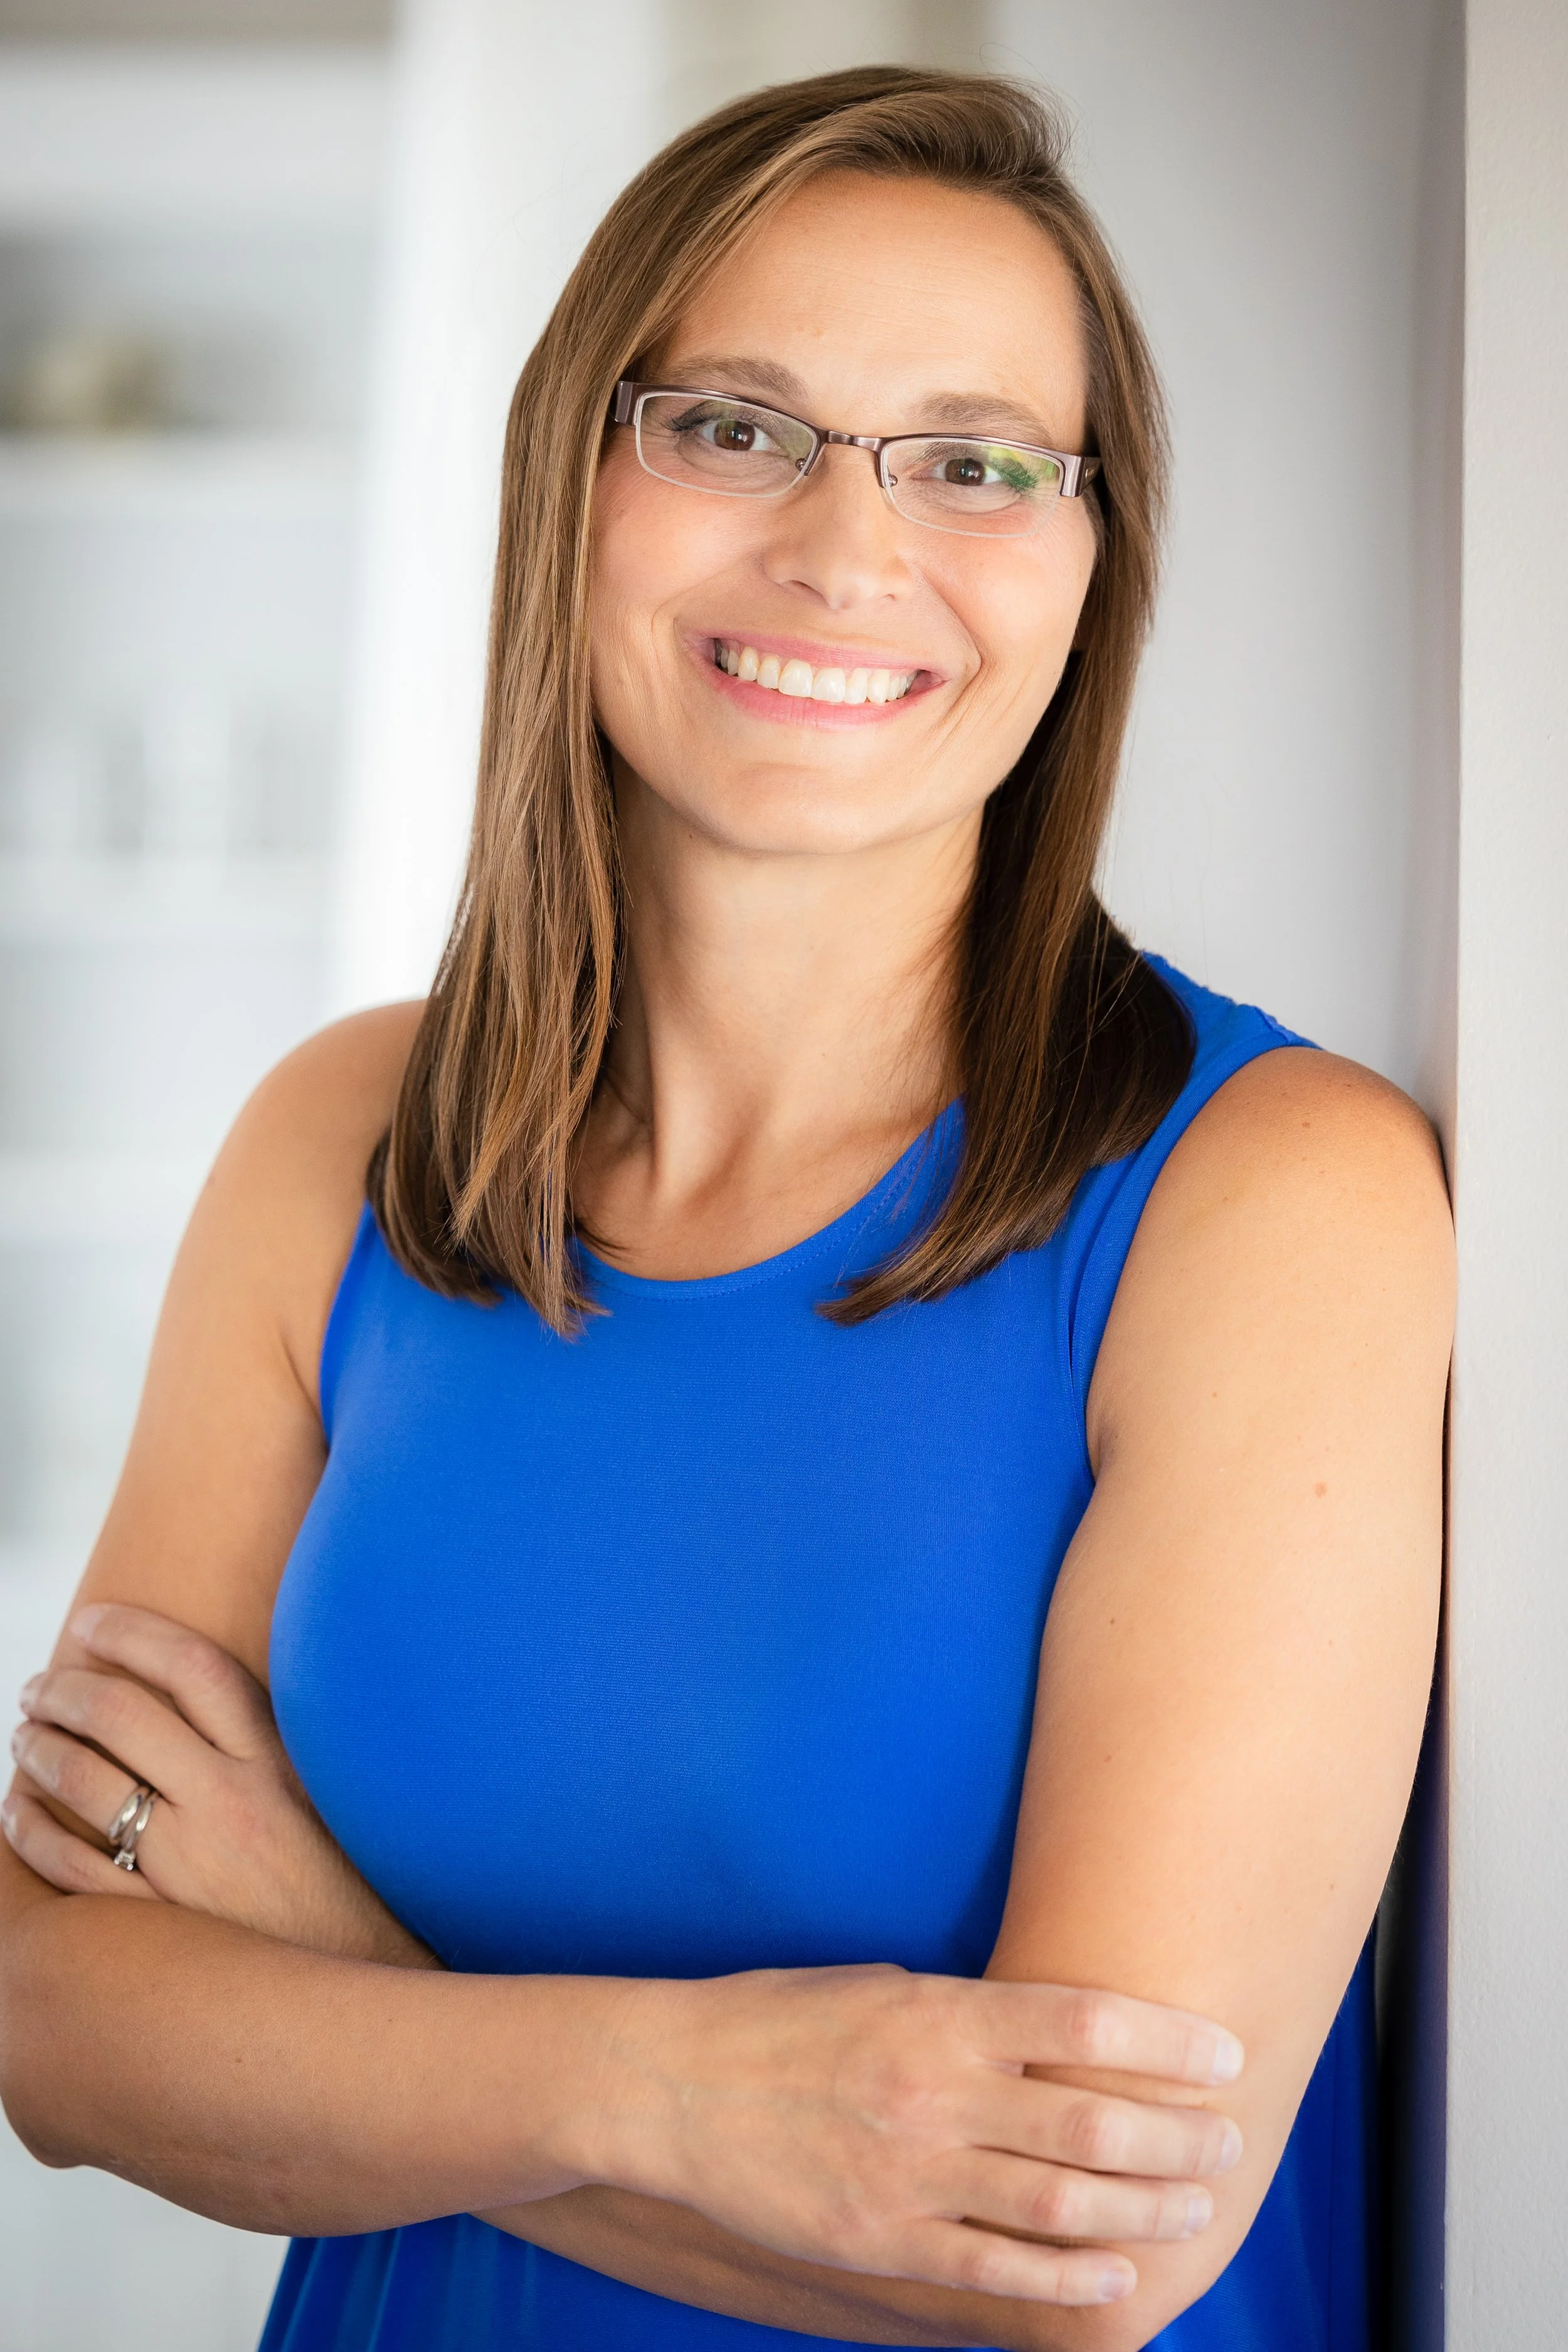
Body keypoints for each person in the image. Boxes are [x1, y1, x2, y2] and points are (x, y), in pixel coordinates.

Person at [0, 66, 1451, 2352]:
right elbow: (58, 2013)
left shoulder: (1272, 1198)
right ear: (571, 474)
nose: (850, 549)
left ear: (1089, 559)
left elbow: (1077, 2247)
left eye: (975, 460)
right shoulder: (341, 1142)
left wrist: (343, 1984)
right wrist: (681, 2089)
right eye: (734, 427)